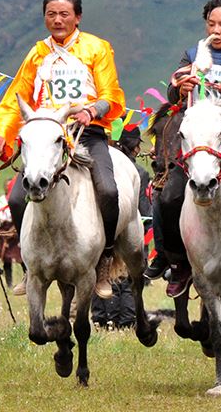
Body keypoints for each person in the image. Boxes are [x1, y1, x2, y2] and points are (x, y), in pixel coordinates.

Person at [0, 0, 125, 300]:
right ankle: (29, 264)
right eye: (51, 14)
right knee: (18, 198)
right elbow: (14, 100)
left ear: (77, 17)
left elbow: (112, 95)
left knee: (109, 189)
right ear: (45, 18)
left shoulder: (97, 48)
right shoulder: (37, 54)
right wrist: (1, 135)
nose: (58, 20)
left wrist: (92, 111)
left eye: (64, 14)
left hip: (85, 133)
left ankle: (104, 258)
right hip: (43, 137)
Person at [145, 0, 221, 298]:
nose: (215, 30)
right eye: (211, 23)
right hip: (198, 147)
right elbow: (173, 90)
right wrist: (181, 88)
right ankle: (176, 261)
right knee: (168, 197)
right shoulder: (194, 54)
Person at [91, 126, 149, 328]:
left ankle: (101, 318)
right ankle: (125, 321)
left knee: (103, 272)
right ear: (136, 147)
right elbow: (143, 207)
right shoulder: (139, 171)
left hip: (108, 222)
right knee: (124, 280)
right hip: (129, 222)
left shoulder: (119, 169)